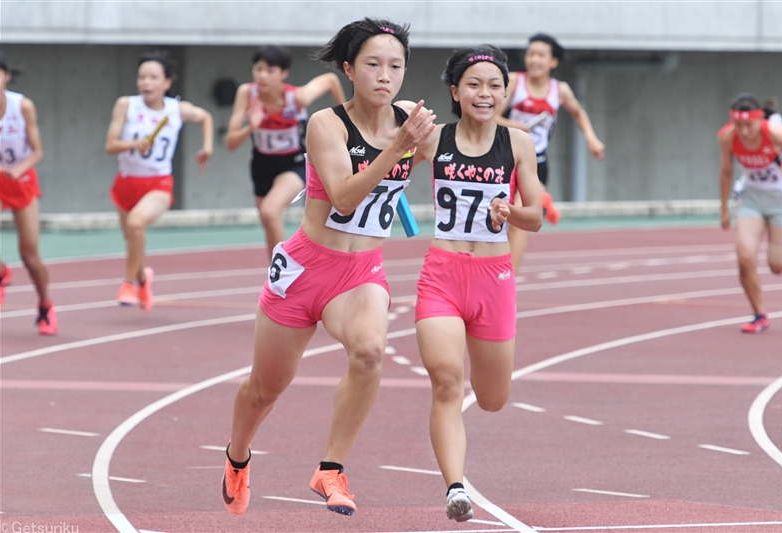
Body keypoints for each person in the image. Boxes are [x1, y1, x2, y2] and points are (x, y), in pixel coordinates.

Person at [222, 18, 435, 517]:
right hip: (304, 268)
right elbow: (342, 196)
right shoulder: (326, 123)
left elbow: (454, 153)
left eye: (396, 65)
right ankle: (237, 456)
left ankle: (330, 469)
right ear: (349, 69)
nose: (386, 76)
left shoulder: (410, 120)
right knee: (264, 389)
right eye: (373, 65)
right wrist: (399, 147)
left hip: (361, 271)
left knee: (369, 351)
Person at [412, 45, 543, 522]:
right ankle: (454, 488)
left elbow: (536, 218)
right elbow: (388, 154)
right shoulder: (433, 140)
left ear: (505, 92)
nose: (484, 93)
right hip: (443, 275)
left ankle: (458, 476)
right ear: (455, 91)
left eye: (493, 85)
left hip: (494, 279)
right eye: (473, 84)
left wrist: (511, 212)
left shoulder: (519, 143)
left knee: (491, 399)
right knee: (447, 381)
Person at [104, 51, 213, 312]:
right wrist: (133, 144)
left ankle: (128, 284)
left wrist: (207, 147)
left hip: (158, 185)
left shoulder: (177, 109)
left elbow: (205, 117)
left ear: (166, 83)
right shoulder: (126, 105)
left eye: (153, 77)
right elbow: (110, 145)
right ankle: (143, 279)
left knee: (136, 223)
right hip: (127, 183)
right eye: (142, 77)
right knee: (133, 240)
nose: (146, 83)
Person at [495, 33, 604, 272]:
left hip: (536, 162)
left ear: (553, 62)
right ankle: (544, 201)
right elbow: (494, 116)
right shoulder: (514, 81)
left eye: (540, 55)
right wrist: (515, 126)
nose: (533, 59)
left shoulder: (559, 90)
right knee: (502, 221)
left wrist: (591, 138)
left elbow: (578, 112)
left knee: (518, 223)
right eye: (530, 53)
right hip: (505, 159)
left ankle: (510, 278)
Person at [226, 45, 345, 259]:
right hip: (261, 164)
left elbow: (330, 80)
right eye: (258, 69)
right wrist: (251, 126)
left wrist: (348, 123)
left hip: (294, 162)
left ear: (283, 73)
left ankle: (284, 268)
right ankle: (275, 272)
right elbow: (231, 143)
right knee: (268, 221)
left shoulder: (297, 98)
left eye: (270, 71)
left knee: (270, 212)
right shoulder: (247, 93)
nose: (262, 76)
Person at [718, 93, 782, 333]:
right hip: (751, 199)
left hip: (781, 200)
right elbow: (725, 172)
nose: (743, 132)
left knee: (777, 267)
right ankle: (759, 315)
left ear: (759, 120)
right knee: (744, 258)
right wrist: (724, 209)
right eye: (738, 125)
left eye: (748, 125)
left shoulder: (774, 133)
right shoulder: (727, 138)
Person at [0, 53, 57, 335]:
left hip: (21, 178)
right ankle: (0, 272)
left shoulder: (22, 106)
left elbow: (37, 151)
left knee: (30, 255)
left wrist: (16, 169)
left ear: (6, 76)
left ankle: (45, 306)